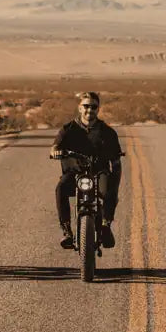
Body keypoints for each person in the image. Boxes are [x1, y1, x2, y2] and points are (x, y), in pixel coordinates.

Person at [49, 92, 123, 249]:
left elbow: (116, 160)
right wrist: (55, 151)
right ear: (79, 108)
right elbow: (55, 145)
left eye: (93, 107)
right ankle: (67, 231)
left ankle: (106, 225)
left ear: (98, 109)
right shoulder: (68, 129)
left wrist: (114, 175)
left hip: (99, 172)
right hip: (74, 173)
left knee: (109, 190)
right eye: (86, 106)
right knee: (61, 188)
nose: (90, 110)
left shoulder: (108, 132)